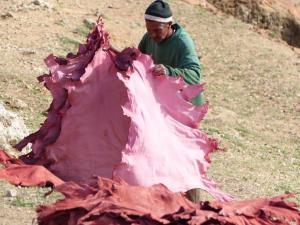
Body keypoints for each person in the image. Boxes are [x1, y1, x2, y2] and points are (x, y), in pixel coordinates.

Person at [138, 0, 204, 106]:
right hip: (165, 99)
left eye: (157, 30)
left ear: (169, 24)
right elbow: (139, 58)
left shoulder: (182, 42)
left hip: (186, 104)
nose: (152, 35)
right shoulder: (149, 37)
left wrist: (169, 71)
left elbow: (195, 76)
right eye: (149, 30)